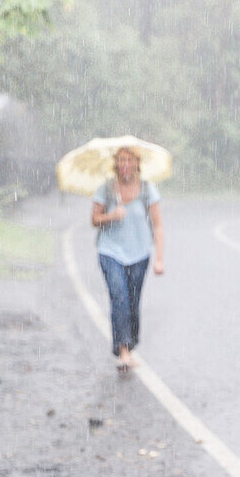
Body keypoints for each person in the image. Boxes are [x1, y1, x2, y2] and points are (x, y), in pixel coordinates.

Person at [90, 147, 165, 372]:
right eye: (121, 159)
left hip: (139, 254)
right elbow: (94, 219)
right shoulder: (106, 189)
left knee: (132, 302)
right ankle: (122, 350)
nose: (125, 164)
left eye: (129, 160)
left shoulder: (147, 190)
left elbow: (158, 225)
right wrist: (111, 216)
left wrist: (159, 258)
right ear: (116, 163)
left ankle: (129, 345)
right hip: (110, 252)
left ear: (136, 163)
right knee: (119, 297)